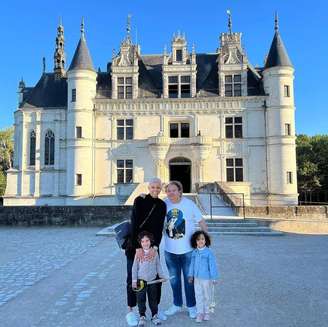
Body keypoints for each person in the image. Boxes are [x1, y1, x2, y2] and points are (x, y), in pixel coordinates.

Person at [163, 180, 208, 319]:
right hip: (170, 251)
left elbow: (201, 222)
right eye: (168, 190)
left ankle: (192, 306)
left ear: (180, 191)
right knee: (174, 280)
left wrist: (205, 242)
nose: (171, 193)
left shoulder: (189, 204)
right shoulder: (164, 204)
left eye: (174, 190)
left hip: (188, 251)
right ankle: (176, 304)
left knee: (189, 280)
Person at [125, 178, 167, 327]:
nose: (155, 189)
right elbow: (135, 223)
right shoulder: (139, 200)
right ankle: (131, 310)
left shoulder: (162, 205)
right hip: (136, 246)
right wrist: (137, 247)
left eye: (158, 187)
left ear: (161, 188)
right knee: (133, 278)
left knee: (155, 279)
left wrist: (155, 248)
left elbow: (159, 229)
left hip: (153, 247)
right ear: (148, 187)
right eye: (153, 187)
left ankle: (155, 310)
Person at [132, 231, 167, 326]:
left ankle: (154, 315)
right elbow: (134, 268)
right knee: (141, 299)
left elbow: (158, 266)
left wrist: (162, 276)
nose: (145, 243)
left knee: (153, 299)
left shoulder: (154, 253)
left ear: (150, 241)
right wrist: (134, 280)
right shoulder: (138, 253)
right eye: (143, 241)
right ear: (140, 243)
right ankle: (142, 316)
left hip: (152, 280)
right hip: (141, 282)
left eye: (147, 240)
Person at [188, 231, 219, 323]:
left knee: (207, 295)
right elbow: (192, 264)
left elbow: (212, 265)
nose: (200, 241)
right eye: (198, 239)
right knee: (198, 295)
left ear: (206, 240)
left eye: (202, 239)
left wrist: (214, 277)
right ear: (195, 241)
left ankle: (207, 312)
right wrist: (190, 275)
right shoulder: (194, 252)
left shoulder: (209, 252)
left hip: (206, 278)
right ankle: (200, 313)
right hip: (197, 278)